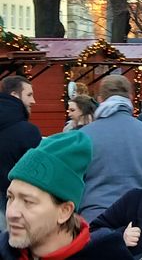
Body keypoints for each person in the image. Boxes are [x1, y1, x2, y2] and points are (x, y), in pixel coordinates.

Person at [0, 132, 133, 259]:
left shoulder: (106, 254)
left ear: (64, 211)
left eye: (28, 201)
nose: (11, 213)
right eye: (10, 198)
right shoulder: (4, 251)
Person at [79, 75, 142, 223]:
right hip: (139, 218)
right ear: (130, 98)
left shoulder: (84, 136)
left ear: (100, 99)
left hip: (94, 219)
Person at [0, 76, 41, 232]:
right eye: (29, 95)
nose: (34, 101)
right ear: (15, 95)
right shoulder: (27, 131)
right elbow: (38, 173)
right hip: (18, 208)